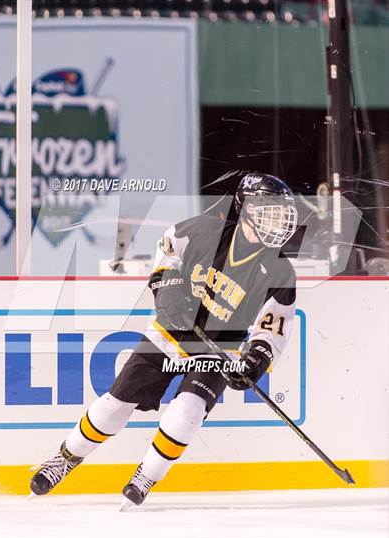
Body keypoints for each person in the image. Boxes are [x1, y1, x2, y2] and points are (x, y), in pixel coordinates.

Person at [30, 172, 298, 507]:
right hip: (168, 335)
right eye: (268, 210)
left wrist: (256, 360)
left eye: (280, 212)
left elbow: (272, 329)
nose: (277, 220)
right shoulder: (204, 231)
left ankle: (146, 475)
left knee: (186, 413)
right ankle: (66, 458)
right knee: (113, 407)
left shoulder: (281, 271)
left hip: (219, 349)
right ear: (245, 206)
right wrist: (168, 288)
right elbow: (169, 248)